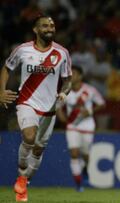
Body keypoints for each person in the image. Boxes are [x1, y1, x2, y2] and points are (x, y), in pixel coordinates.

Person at [0, 14, 72, 202]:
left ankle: (23, 181)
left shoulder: (62, 53)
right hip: (27, 102)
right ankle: (22, 171)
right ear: (35, 30)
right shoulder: (22, 50)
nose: (50, 28)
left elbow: (68, 80)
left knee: (38, 150)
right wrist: (1, 91)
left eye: (52, 25)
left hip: (49, 109)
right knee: (29, 137)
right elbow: (7, 68)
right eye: (45, 26)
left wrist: (64, 92)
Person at [56, 65, 105, 192]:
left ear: (81, 76)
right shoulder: (65, 91)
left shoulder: (90, 90)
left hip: (88, 126)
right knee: (74, 153)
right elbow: (58, 106)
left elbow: (101, 103)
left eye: (75, 74)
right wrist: (62, 118)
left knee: (85, 155)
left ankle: (85, 170)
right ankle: (78, 184)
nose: (72, 76)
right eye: (71, 74)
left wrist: (90, 111)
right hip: (72, 126)